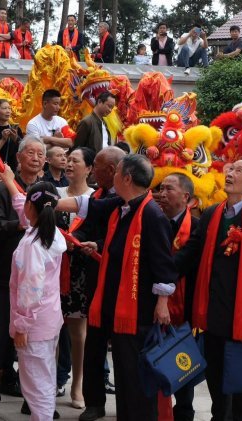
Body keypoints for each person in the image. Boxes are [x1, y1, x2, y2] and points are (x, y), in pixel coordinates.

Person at [61, 154, 178, 421]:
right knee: (125, 374)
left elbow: (164, 264)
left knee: (136, 377)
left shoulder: (150, 214)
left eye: (117, 174)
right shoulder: (124, 206)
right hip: (119, 306)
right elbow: (89, 207)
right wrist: (51, 203)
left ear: (126, 178)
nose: (112, 179)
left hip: (139, 310)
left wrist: (162, 303)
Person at [174, 159, 242, 421]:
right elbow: (190, 254)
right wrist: (162, 271)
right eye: (229, 169)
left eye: (238, 171)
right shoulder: (211, 215)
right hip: (214, 313)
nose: (230, 174)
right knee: (217, 379)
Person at [0, 137, 46, 421]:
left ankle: (35, 401)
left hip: (37, 282)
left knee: (34, 341)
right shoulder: (0, 190)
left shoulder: (46, 191)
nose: (37, 157)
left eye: (41, 154)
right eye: (31, 152)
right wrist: (21, 224)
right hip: (3, 276)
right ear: (19, 158)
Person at [1, 169, 66, 421]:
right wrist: (10, 182)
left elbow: (30, 288)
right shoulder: (51, 233)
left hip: (34, 324)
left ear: (32, 206)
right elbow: (26, 211)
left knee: (35, 384)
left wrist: (22, 325)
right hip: (47, 320)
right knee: (44, 376)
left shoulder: (32, 244)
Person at [70, 147, 126, 420]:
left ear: (114, 171)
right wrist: (75, 238)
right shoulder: (99, 194)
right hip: (94, 279)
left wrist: (99, 245)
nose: (93, 172)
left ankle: (127, 403)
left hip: (121, 283)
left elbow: (121, 240)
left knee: (123, 348)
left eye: (99, 168)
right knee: (94, 343)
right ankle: (94, 402)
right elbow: (87, 223)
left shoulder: (126, 200)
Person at [55, 147, 96, 410]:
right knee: (52, 329)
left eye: (75, 161)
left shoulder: (95, 198)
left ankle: (77, 384)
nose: (69, 164)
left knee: (78, 332)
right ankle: (51, 382)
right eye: (67, 160)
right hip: (56, 267)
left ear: (89, 168)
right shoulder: (55, 193)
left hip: (82, 269)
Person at [155, 173, 198, 421]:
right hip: (154, 304)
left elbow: (178, 264)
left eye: (168, 189)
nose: (162, 194)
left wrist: (159, 270)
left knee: (183, 365)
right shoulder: (154, 220)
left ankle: (183, 413)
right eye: (160, 188)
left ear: (186, 197)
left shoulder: (197, 227)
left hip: (186, 306)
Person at [0, 99, 23, 171]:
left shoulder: (16, 129)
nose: (8, 111)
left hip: (14, 169)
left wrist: (16, 138)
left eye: (9, 108)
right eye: (4, 108)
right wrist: (3, 140)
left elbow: (24, 149)